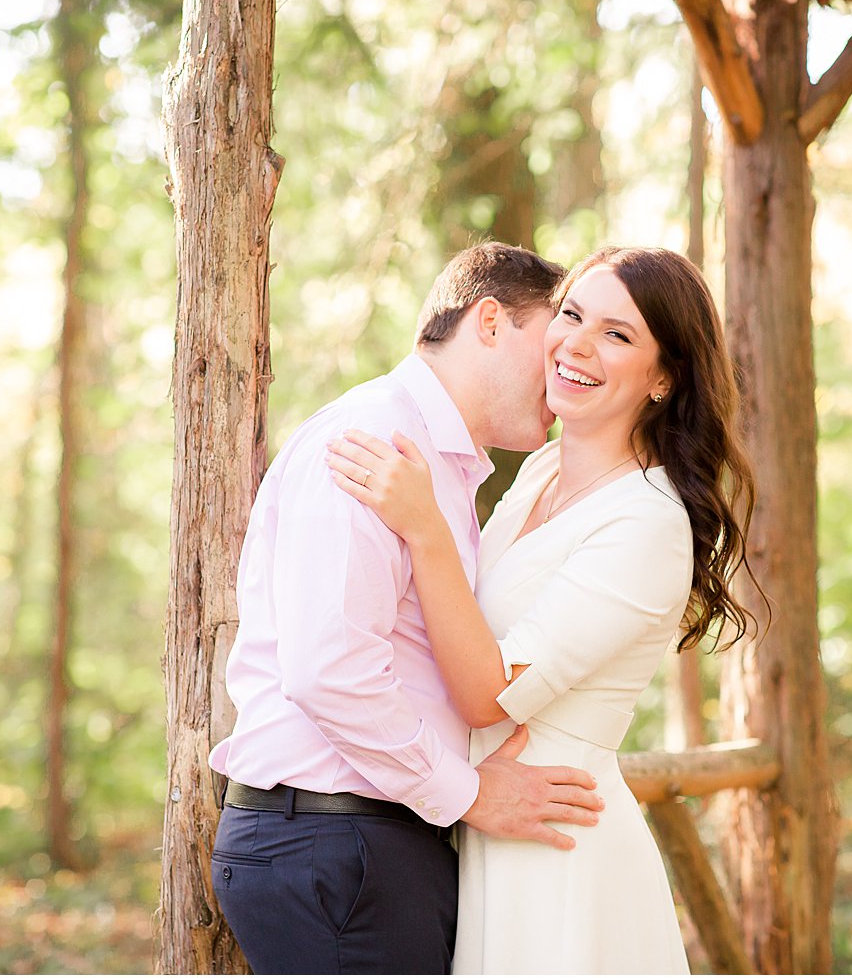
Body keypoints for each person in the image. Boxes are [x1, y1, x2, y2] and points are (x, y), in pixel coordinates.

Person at [326, 245, 758, 974]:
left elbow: (490, 691)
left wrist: (424, 525)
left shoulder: (648, 521)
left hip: (560, 841)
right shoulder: (541, 470)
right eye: (571, 315)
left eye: (618, 334)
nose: (577, 344)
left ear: (662, 377)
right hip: (489, 828)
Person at [207, 242, 608, 976]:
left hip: (365, 844)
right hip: (334, 848)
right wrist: (469, 794)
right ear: (490, 323)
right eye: (550, 342)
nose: (560, 376)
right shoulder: (367, 442)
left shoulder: (444, 469)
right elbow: (329, 670)